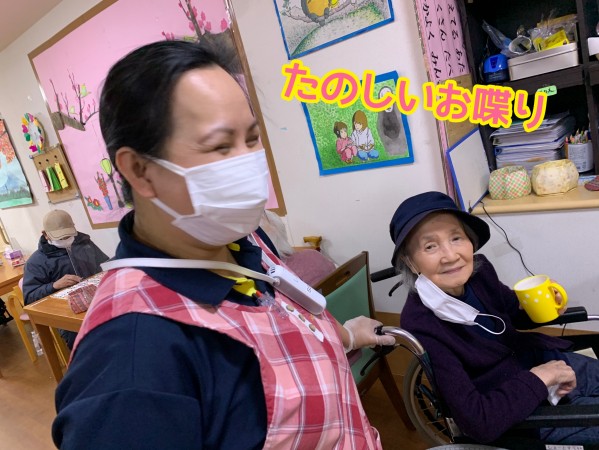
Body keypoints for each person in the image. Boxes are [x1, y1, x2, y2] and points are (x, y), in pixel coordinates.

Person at [52, 40, 394, 449]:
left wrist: (347, 336)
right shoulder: (131, 361)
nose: (248, 162)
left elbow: (286, 316)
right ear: (140, 170)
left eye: (252, 138)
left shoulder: (236, 238)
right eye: (219, 145)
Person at [390, 191, 599, 445]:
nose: (451, 255)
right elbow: (478, 421)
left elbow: (513, 313)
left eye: (456, 238)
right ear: (411, 262)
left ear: (470, 240)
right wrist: (540, 378)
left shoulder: (480, 272)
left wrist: (543, 307)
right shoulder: (421, 323)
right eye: (430, 246)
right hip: (519, 410)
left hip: (541, 360)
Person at [22, 209, 109, 348]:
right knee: (83, 340)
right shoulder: (37, 262)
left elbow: (105, 265)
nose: (65, 240)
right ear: (45, 234)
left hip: (97, 300)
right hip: (67, 314)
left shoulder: (85, 244)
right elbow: (30, 298)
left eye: (68, 236)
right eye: (60, 238)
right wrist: (53, 286)